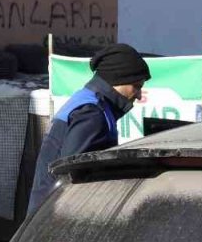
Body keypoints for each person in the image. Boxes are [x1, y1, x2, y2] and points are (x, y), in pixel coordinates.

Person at [27, 43, 151, 214]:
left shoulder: (90, 103)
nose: (138, 94)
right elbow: (71, 177)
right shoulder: (92, 114)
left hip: (49, 213)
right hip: (56, 218)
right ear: (117, 79)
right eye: (136, 86)